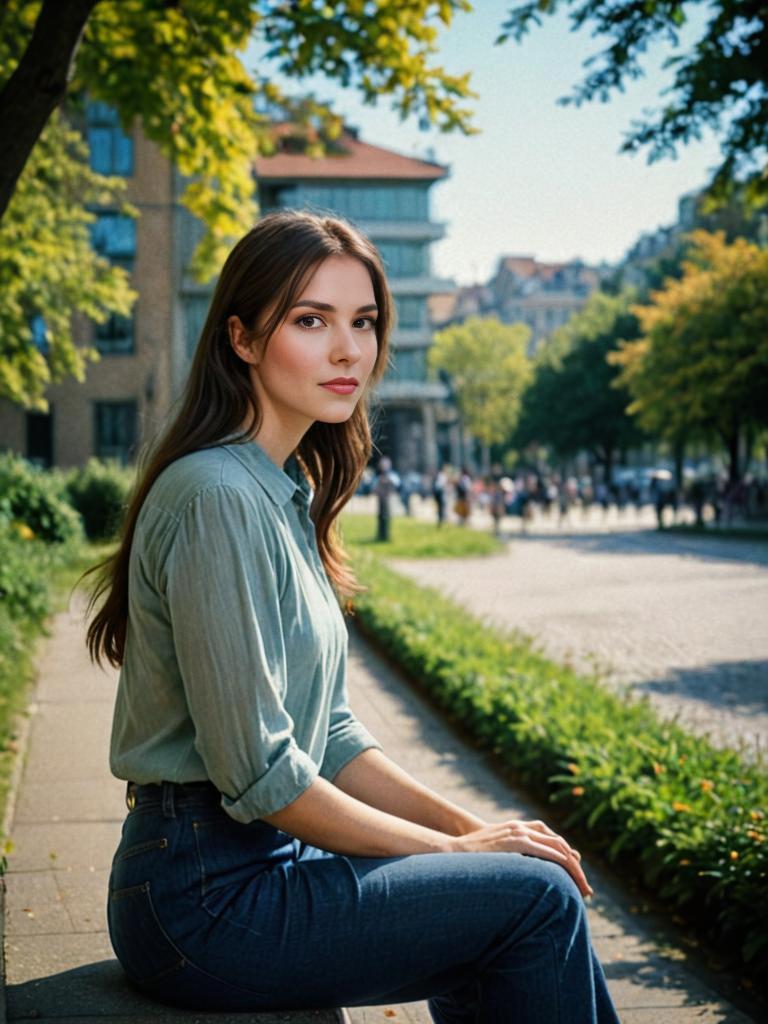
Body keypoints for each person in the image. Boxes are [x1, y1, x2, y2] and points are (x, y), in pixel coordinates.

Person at [82, 210, 620, 1023]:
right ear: (242, 338)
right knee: (533, 902)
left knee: (512, 881)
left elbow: (327, 733)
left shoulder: (279, 491)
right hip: (204, 896)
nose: (349, 351)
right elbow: (263, 774)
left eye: (363, 322)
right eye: (310, 320)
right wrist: (453, 851)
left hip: (253, 863)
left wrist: (476, 829)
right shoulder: (218, 496)